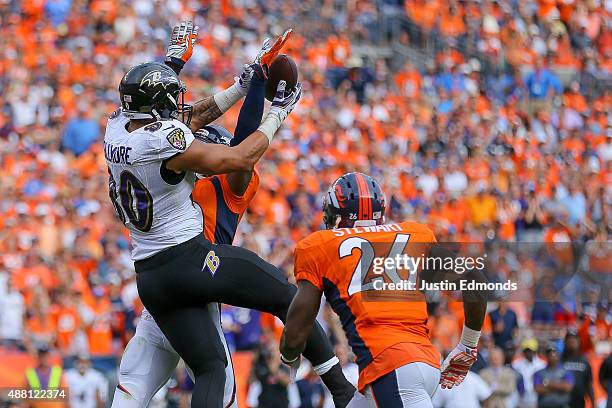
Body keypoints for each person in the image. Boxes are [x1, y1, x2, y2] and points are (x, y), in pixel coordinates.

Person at [106, 22, 353, 408]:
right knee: (286, 297)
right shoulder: (179, 151)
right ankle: (341, 389)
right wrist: (279, 110)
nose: (193, 133)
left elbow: (179, 116)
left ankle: (341, 388)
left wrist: (240, 81)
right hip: (191, 266)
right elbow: (238, 151)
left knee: (168, 380)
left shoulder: (118, 129)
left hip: (152, 278)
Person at [280, 172, 488, 408]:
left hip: (391, 369)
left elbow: (296, 332)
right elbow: (475, 279)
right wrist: (467, 346)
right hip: (423, 364)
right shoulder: (414, 234)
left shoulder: (319, 245)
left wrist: (288, 353)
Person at [561, 330, 594, 408]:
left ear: (579, 341)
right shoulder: (559, 360)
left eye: (574, 339)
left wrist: (593, 403)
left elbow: (589, 384)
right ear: (565, 342)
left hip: (579, 401)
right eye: (569, 339)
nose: (572, 341)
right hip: (562, 400)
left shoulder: (584, 361)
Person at [512, 338, 546, 408]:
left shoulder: (542, 365)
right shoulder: (516, 364)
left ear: (535, 351)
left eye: (531, 351)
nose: (529, 353)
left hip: (537, 399)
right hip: (520, 399)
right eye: (526, 351)